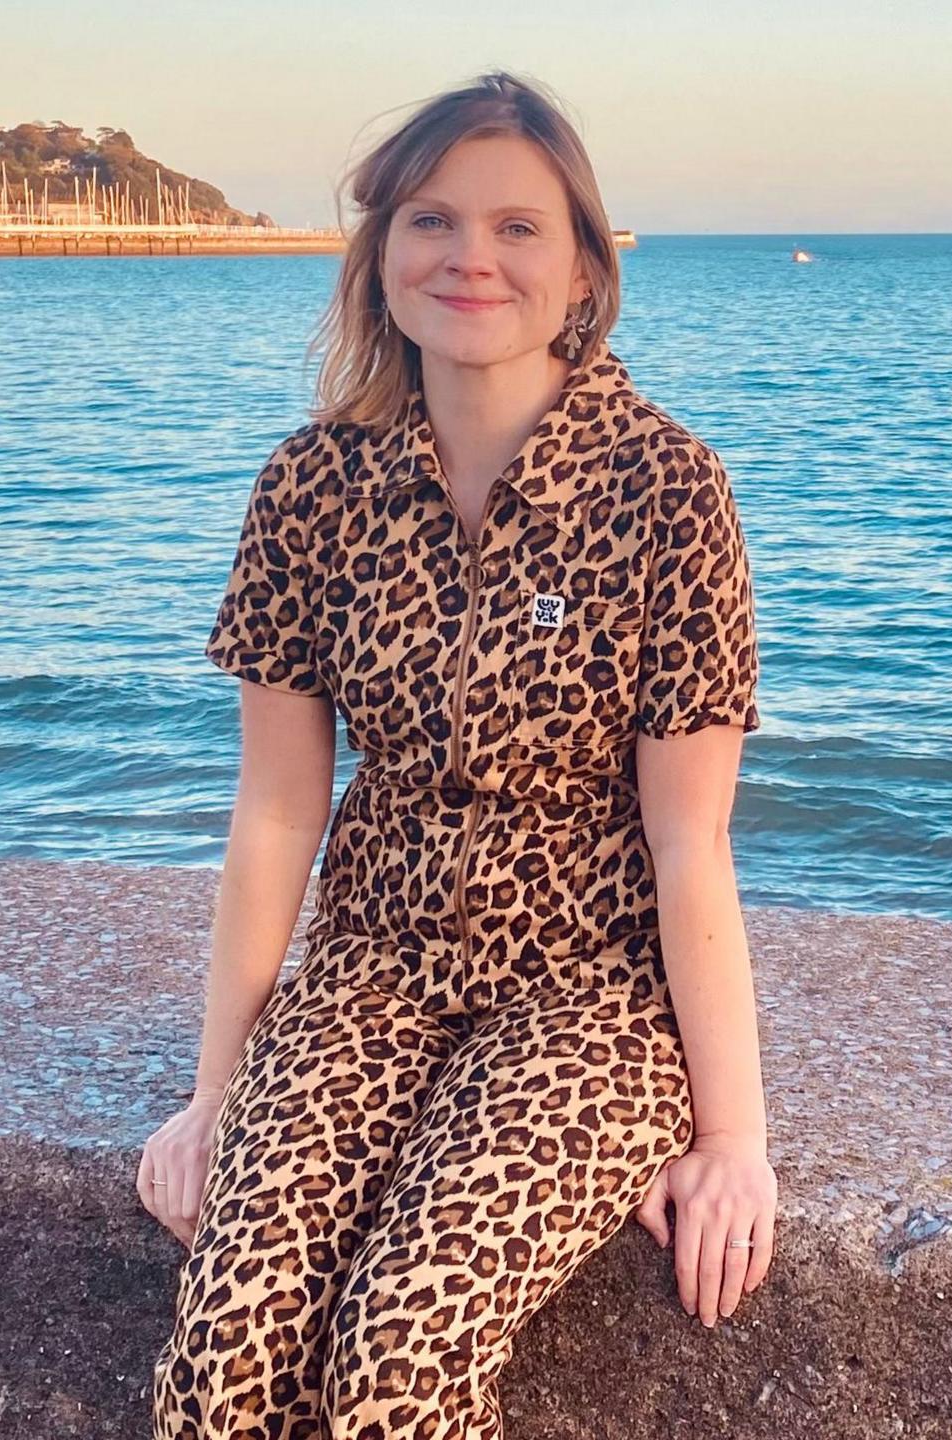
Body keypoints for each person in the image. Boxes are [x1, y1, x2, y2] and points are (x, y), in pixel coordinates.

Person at [136, 70, 775, 1436]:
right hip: (372, 965)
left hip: (591, 995)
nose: (469, 257)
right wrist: (216, 1090)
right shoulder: (312, 486)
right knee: (229, 1340)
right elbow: (274, 818)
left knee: (400, 1344)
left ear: (585, 268)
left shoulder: (668, 490)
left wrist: (734, 1143)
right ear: (380, 253)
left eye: (518, 227)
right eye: (432, 221)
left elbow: (690, 837)